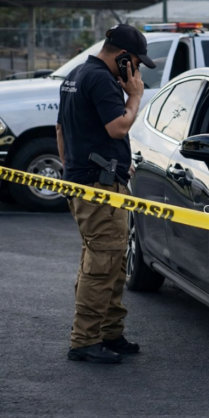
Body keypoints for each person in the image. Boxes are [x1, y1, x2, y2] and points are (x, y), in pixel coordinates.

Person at [56, 24, 156, 364]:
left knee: (111, 260)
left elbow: (61, 128)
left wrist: (75, 167)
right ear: (124, 58)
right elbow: (119, 126)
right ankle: (85, 341)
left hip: (90, 182)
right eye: (137, 64)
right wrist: (136, 96)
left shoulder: (77, 74)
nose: (138, 72)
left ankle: (110, 332)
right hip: (98, 189)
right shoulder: (100, 79)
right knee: (101, 265)